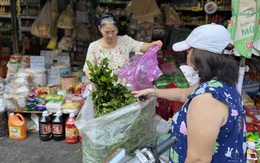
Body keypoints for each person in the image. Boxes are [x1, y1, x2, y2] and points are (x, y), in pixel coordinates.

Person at [132, 24, 247, 163]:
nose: (186, 57)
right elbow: (183, 94)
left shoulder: (207, 100)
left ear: (199, 58)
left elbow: (198, 160)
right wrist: (154, 92)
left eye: (188, 52)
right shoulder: (220, 85)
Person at [83, 13, 162, 80]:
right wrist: (96, 83)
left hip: (123, 90)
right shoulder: (94, 46)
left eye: (113, 31)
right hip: (103, 91)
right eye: (106, 32)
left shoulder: (125, 41)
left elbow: (141, 46)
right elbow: (88, 69)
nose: (110, 35)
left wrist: (152, 45)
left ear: (117, 29)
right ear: (100, 29)